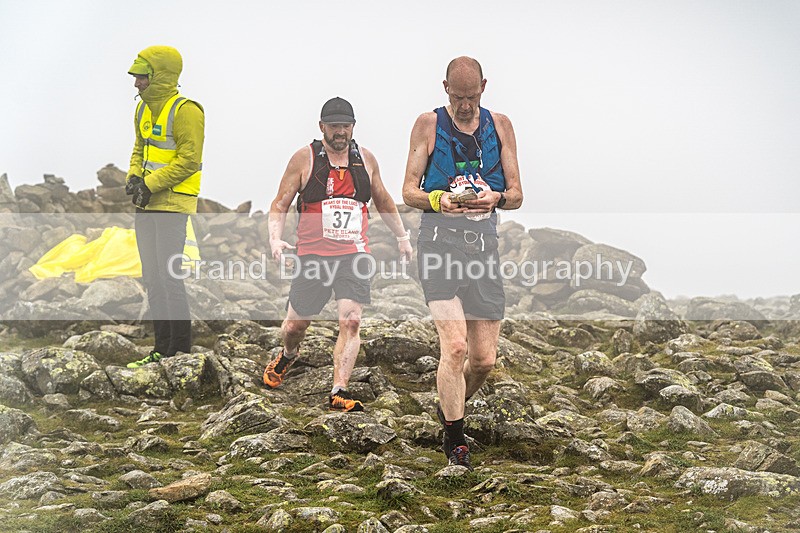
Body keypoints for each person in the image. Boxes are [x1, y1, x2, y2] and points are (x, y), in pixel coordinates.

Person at [402, 57, 523, 469]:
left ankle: (449, 407)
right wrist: (438, 200)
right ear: (445, 89)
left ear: (484, 87)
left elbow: (517, 194)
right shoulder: (428, 124)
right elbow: (409, 191)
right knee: (455, 347)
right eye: (458, 97)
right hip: (439, 243)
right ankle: (455, 440)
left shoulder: (500, 125)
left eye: (472, 97)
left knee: (483, 360)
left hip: (484, 246)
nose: (466, 105)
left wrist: (497, 198)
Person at [262, 97, 413, 412]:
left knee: (352, 320)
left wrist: (402, 237)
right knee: (294, 327)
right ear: (322, 127)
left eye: (345, 126)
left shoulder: (365, 160)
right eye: (334, 126)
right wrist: (275, 239)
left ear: (353, 127)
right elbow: (280, 203)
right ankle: (288, 354)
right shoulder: (304, 159)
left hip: (353, 255)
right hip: (313, 256)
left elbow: (383, 200)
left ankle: (339, 390)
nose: (340, 132)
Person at [124, 45, 205, 368]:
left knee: (169, 277)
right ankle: (161, 349)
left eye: (142, 76)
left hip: (172, 205)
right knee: (152, 277)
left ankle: (180, 351)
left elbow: (189, 160)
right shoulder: (142, 109)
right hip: (145, 204)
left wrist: (150, 184)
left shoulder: (187, 111)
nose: (136, 83)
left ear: (159, 75)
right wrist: (133, 177)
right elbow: (139, 148)